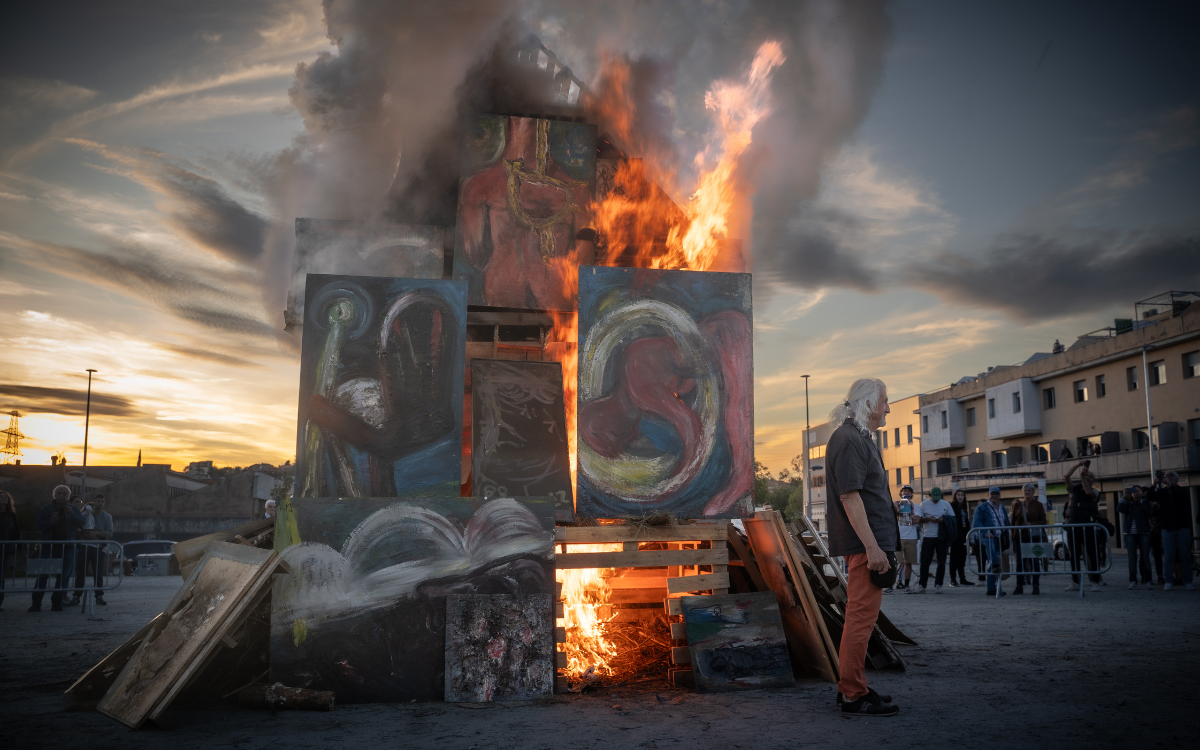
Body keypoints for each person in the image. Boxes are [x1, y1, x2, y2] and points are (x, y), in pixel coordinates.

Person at [825, 378, 901, 717]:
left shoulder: (859, 438)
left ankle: (852, 688)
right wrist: (873, 549)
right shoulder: (849, 439)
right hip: (863, 545)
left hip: (869, 542)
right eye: (885, 401)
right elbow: (850, 496)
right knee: (860, 620)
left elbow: (864, 494)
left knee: (862, 620)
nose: (888, 408)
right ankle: (853, 694)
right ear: (870, 403)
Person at [30, 485, 86, 612]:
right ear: (54, 495)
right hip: (48, 547)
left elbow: (82, 522)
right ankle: (36, 604)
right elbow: (38, 525)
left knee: (64, 576)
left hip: (67, 547)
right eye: (59, 493)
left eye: (64, 493)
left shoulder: (72, 508)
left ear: (68, 496)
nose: (61, 495)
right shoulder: (46, 509)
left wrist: (72, 514)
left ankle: (56, 603)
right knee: (43, 576)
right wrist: (51, 521)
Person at [1149, 470, 1194, 591]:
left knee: (1185, 555)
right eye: (1166, 476)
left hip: (1182, 526)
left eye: (1170, 476)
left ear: (1176, 479)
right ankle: (1168, 580)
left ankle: (1188, 580)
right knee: (1169, 555)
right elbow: (1150, 496)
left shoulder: (1183, 490)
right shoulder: (1162, 492)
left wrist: (1172, 486)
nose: (1168, 478)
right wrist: (1154, 484)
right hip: (1167, 528)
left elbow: (1184, 498)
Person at [1063, 460, 1102, 592]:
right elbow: (1066, 476)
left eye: (1090, 477)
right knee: (1073, 555)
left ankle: (1095, 581)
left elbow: (1087, 492)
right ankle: (1075, 582)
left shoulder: (1096, 493)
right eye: (1087, 475)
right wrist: (1077, 465)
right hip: (1072, 525)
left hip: (1087, 525)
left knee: (1092, 554)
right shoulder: (1074, 489)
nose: (1087, 477)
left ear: (1093, 481)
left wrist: (1082, 477)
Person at [72, 494, 113, 606]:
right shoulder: (85, 514)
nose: (100, 503)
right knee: (81, 572)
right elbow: (78, 526)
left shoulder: (107, 517)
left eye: (102, 501)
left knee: (98, 573)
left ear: (104, 503)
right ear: (94, 502)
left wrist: (96, 534)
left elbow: (109, 532)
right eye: (98, 501)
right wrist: (84, 534)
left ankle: (99, 596)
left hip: (98, 547)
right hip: (84, 546)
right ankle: (76, 596)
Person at [1010, 483, 1048, 595]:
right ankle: (1019, 586)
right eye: (1025, 490)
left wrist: (1031, 524)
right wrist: (1013, 536)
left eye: (1029, 490)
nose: (1027, 492)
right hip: (1020, 537)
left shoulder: (1038, 505)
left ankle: (1036, 586)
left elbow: (1043, 520)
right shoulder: (1017, 505)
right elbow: (1013, 521)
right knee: (1020, 562)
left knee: (1035, 561)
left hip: (1034, 537)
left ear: (1033, 492)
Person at [972, 487, 1010, 596]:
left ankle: (991, 588)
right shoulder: (981, 507)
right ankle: (994, 570)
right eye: (992, 494)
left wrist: (1007, 534)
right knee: (993, 560)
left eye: (996, 494)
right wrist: (985, 532)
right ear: (988, 495)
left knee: (991, 563)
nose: (994, 496)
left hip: (1000, 538)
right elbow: (977, 522)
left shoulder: (1002, 507)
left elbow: (1005, 522)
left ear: (1000, 495)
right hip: (988, 537)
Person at [915, 487, 953, 593]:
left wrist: (943, 520)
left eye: (938, 498)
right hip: (928, 536)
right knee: (925, 562)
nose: (936, 500)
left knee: (941, 561)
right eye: (934, 498)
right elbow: (919, 520)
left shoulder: (946, 504)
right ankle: (922, 585)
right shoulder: (924, 504)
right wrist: (928, 519)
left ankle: (939, 584)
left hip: (941, 537)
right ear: (929, 495)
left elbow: (952, 518)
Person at [1118, 485, 1153, 589]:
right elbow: (1120, 508)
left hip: (1143, 532)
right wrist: (1124, 497)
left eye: (1137, 491)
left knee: (1145, 558)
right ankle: (1133, 580)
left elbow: (1148, 511)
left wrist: (1143, 498)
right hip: (1130, 533)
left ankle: (1148, 580)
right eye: (1133, 491)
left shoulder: (1144, 502)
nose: (1135, 493)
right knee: (1132, 558)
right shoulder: (1129, 504)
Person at [893, 485, 918, 593]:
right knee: (895, 563)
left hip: (911, 537)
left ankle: (906, 586)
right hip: (898, 537)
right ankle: (890, 585)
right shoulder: (896, 504)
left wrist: (907, 517)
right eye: (904, 491)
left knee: (909, 562)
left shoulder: (916, 506)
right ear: (901, 493)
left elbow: (917, 520)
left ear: (912, 494)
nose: (906, 493)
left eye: (908, 491)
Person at [947, 489, 974, 587]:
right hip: (955, 536)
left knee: (962, 558)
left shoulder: (963, 507)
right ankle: (953, 579)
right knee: (954, 558)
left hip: (963, 535)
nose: (960, 497)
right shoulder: (952, 506)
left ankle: (962, 578)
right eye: (958, 495)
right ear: (955, 496)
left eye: (962, 495)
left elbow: (966, 521)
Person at [0, 491, 20, 610]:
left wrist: (20, 547)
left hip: (5, 549)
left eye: (5, 497)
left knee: (1, 576)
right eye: (1, 497)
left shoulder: (12, 514)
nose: (3, 498)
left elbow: (16, 531)